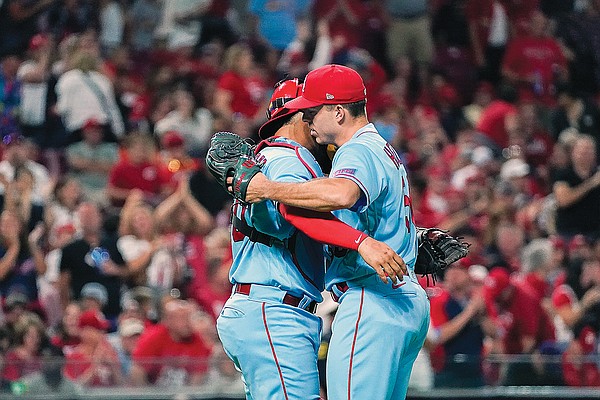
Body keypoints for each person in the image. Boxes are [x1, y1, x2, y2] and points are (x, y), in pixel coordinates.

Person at [241, 64, 430, 400]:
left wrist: (266, 188)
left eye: (313, 111)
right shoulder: (383, 148)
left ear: (339, 112)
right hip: (406, 299)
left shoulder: (356, 149)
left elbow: (343, 194)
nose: (308, 120)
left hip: (373, 298)